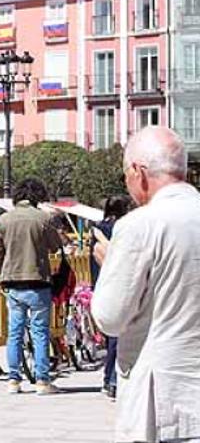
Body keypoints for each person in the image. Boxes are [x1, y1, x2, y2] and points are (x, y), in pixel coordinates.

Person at [92, 126, 200, 442]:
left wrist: (111, 262)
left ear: (139, 173)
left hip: (163, 399)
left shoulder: (139, 225)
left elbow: (110, 317)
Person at [0, 177, 65, 395]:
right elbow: (56, 246)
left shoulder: (4, 219)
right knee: (40, 332)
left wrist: (2, 274)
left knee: (14, 332)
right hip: (38, 281)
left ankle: (13, 380)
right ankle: (42, 381)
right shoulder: (42, 218)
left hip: (13, 282)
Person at [89, 194, 132, 399]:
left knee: (111, 337)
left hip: (100, 284)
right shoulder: (124, 228)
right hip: (120, 281)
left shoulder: (98, 228)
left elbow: (92, 259)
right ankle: (114, 379)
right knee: (118, 336)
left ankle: (108, 379)